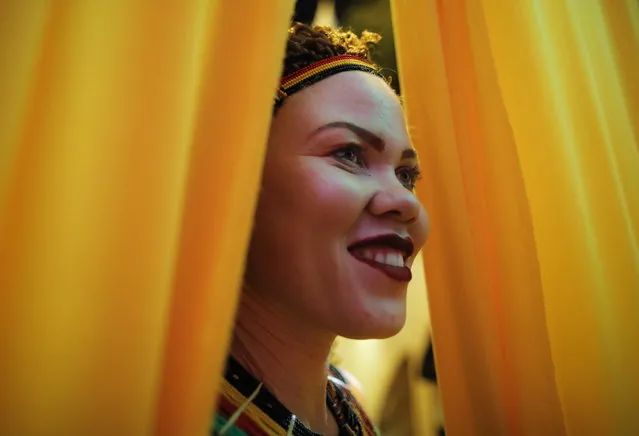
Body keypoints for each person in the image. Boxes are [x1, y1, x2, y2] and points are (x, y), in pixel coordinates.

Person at [213, 22, 429, 436]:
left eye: (407, 174)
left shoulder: (352, 407)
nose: (407, 202)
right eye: (348, 153)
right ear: (235, 183)